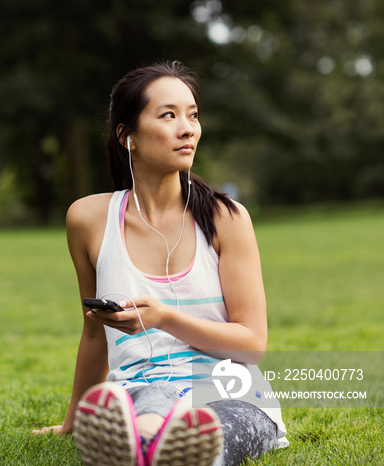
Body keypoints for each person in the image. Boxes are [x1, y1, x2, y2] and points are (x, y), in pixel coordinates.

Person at [32, 61, 288, 466]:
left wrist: (165, 317)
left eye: (193, 115)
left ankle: (152, 447)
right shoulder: (88, 219)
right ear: (127, 135)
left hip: (230, 392)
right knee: (153, 397)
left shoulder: (227, 218)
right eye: (168, 115)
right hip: (142, 386)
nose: (188, 128)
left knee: (212, 428)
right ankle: (149, 441)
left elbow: (252, 344)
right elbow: (95, 335)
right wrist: (71, 423)